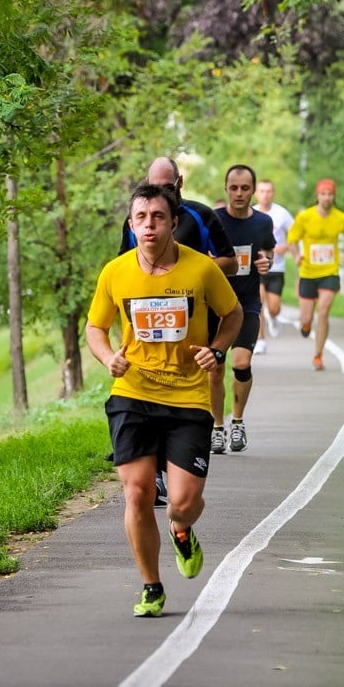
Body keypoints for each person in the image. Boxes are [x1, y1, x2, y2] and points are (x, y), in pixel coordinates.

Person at [86, 182, 243, 618]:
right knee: (136, 494)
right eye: (141, 218)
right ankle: (151, 588)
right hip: (133, 393)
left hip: (189, 398)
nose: (149, 225)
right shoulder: (115, 272)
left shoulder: (201, 270)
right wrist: (107, 358)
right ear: (131, 224)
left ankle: (180, 528)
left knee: (181, 502)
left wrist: (217, 349)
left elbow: (233, 314)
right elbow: (95, 328)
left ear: (173, 222)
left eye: (158, 217)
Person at [120, 157, 238, 504]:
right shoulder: (139, 219)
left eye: (168, 187)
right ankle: (154, 475)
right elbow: (123, 265)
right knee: (145, 393)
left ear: (180, 183)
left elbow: (230, 262)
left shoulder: (201, 215)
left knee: (213, 371)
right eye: (154, 185)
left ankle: (213, 428)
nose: (160, 193)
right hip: (147, 321)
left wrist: (192, 270)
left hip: (196, 309)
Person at [210, 165, 275, 454]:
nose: (239, 193)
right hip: (215, 305)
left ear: (253, 190)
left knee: (240, 363)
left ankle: (237, 422)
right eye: (234, 188)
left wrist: (267, 262)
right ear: (226, 189)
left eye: (245, 188)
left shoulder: (263, 222)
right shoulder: (214, 220)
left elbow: (268, 251)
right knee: (214, 368)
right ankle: (217, 427)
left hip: (247, 304)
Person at [287, 178, 344, 371]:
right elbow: (292, 239)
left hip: (330, 271)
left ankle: (318, 356)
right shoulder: (305, 217)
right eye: (323, 194)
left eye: (330, 194)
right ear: (317, 196)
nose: (326, 198)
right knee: (306, 318)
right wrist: (296, 256)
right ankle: (306, 325)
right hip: (308, 271)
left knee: (324, 311)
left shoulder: (341, 218)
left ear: (334, 197)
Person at [252, 179, 294, 354]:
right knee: (259, 302)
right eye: (262, 191)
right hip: (258, 266)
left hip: (276, 267)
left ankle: (274, 317)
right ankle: (260, 340)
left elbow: (295, 233)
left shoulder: (282, 213)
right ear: (256, 193)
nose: (265, 195)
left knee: (274, 307)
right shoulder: (251, 213)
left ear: (273, 193)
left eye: (268, 191)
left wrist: (286, 247)